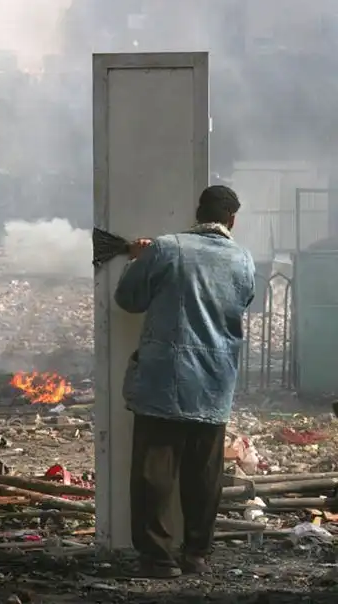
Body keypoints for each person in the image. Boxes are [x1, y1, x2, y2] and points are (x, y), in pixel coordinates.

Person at [114, 185, 255, 579]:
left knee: (154, 474)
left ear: (198, 213)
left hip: (164, 380)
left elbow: (128, 298)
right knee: (204, 476)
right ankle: (196, 554)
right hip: (214, 383)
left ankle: (158, 559)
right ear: (231, 220)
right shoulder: (243, 259)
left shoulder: (166, 248)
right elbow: (242, 302)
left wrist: (136, 258)